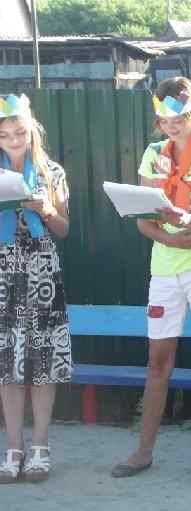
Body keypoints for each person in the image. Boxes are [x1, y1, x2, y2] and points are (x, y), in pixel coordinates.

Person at [111, 77, 191, 485]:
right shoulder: (152, 154)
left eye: (178, 117)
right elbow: (143, 220)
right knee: (157, 362)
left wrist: (189, 222)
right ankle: (143, 452)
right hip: (164, 270)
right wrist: (170, 238)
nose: (172, 125)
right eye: (164, 120)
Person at [0, 94, 72, 483]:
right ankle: (13, 449)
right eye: (5, 135)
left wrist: (45, 209)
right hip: (2, 277)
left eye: (20, 133)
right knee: (5, 362)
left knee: (43, 361)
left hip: (42, 274)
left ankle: (40, 447)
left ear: (31, 132)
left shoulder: (51, 172)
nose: (14, 140)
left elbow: (64, 229)